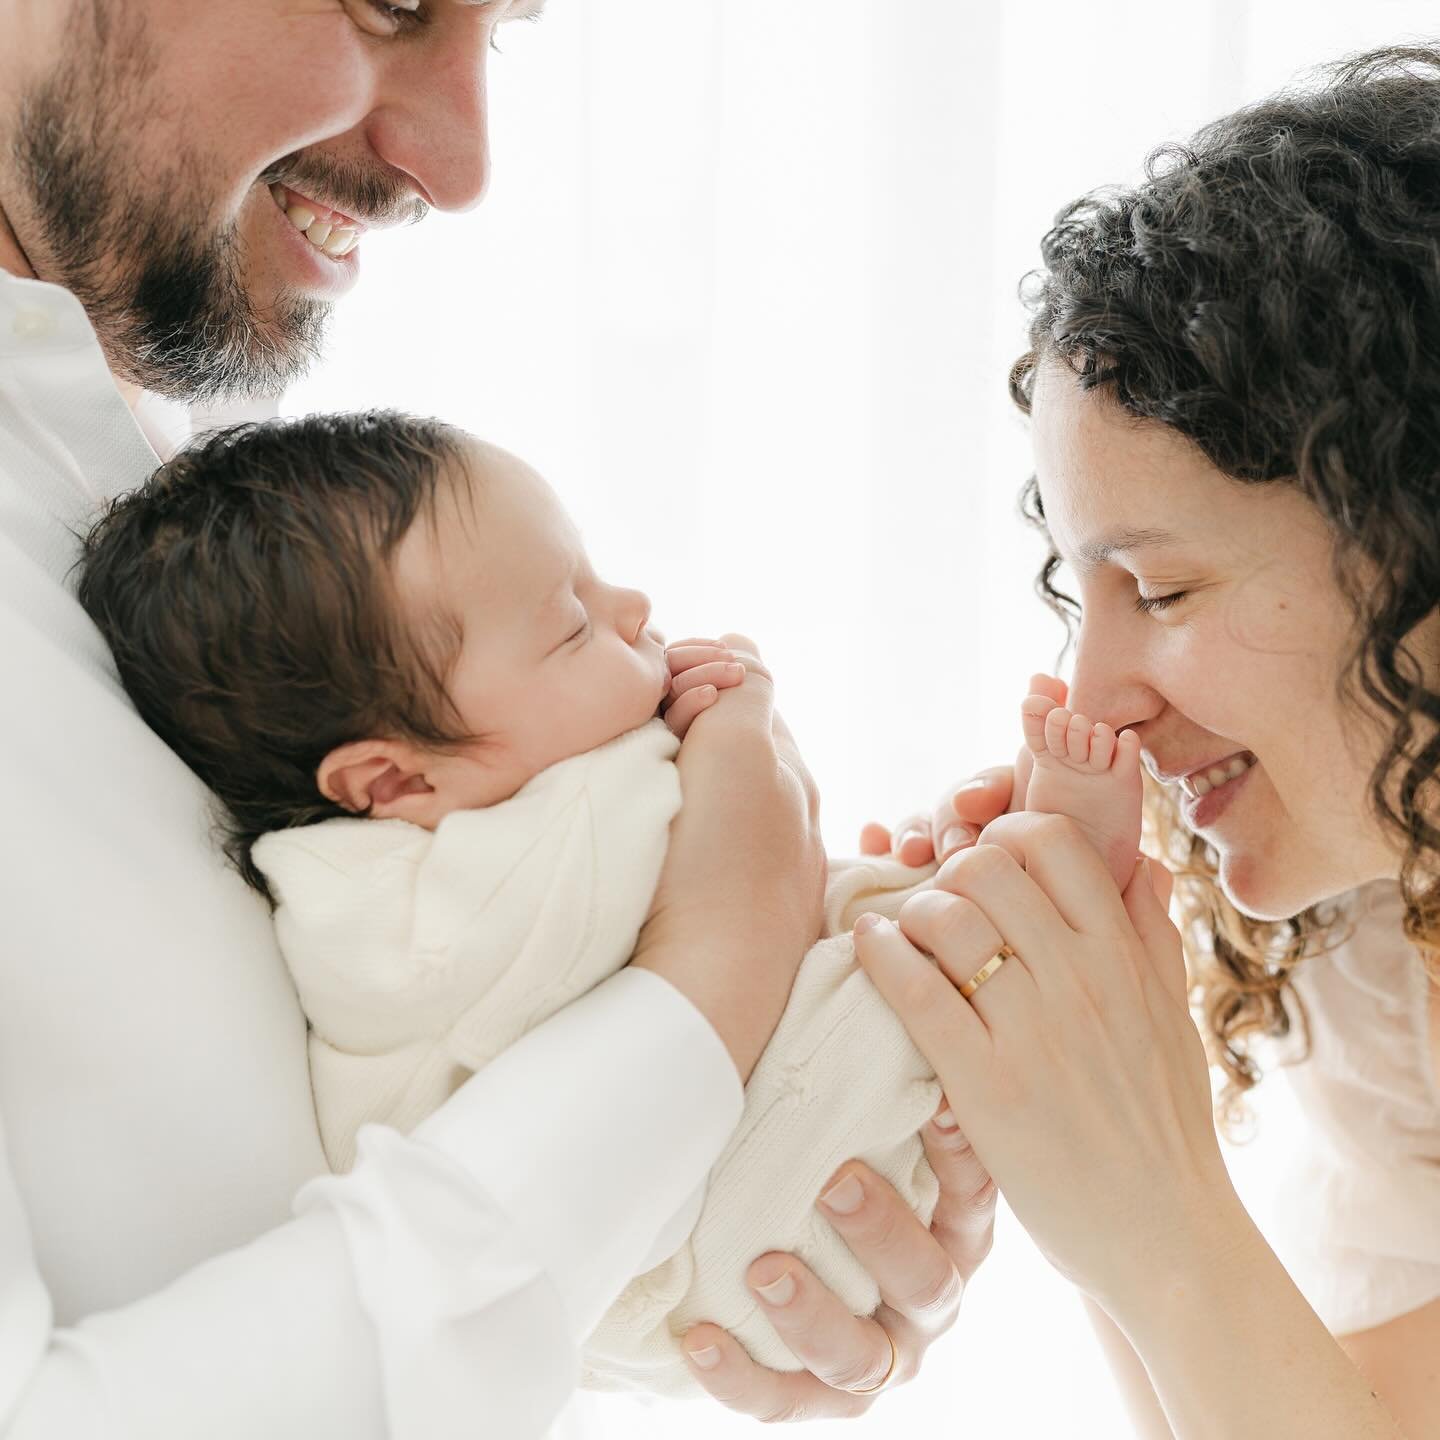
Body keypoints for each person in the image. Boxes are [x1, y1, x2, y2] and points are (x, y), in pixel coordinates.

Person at [0, 2, 999, 1434]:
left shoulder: (202, 496)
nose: (461, 164)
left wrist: (749, 1190)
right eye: (393, 0)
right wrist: (710, 994)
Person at [71, 410, 1149, 1399]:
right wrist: (732, 734)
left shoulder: (446, 825)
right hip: (714, 1247)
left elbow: (716, 917)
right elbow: (704, 879)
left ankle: (1003, 879)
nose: (632, 612)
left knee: (874, 931)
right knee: (898, 994)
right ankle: (1054, 874)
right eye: (571, 627)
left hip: (692, 1208)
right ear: (394, 782)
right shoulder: (432, 900)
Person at [855, 43, 1440, 1438]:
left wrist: (1147, 1187)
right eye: (1077, 590)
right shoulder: (1368, 943)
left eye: (1163, 591)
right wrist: (1079, 1109)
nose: (1088, 689)